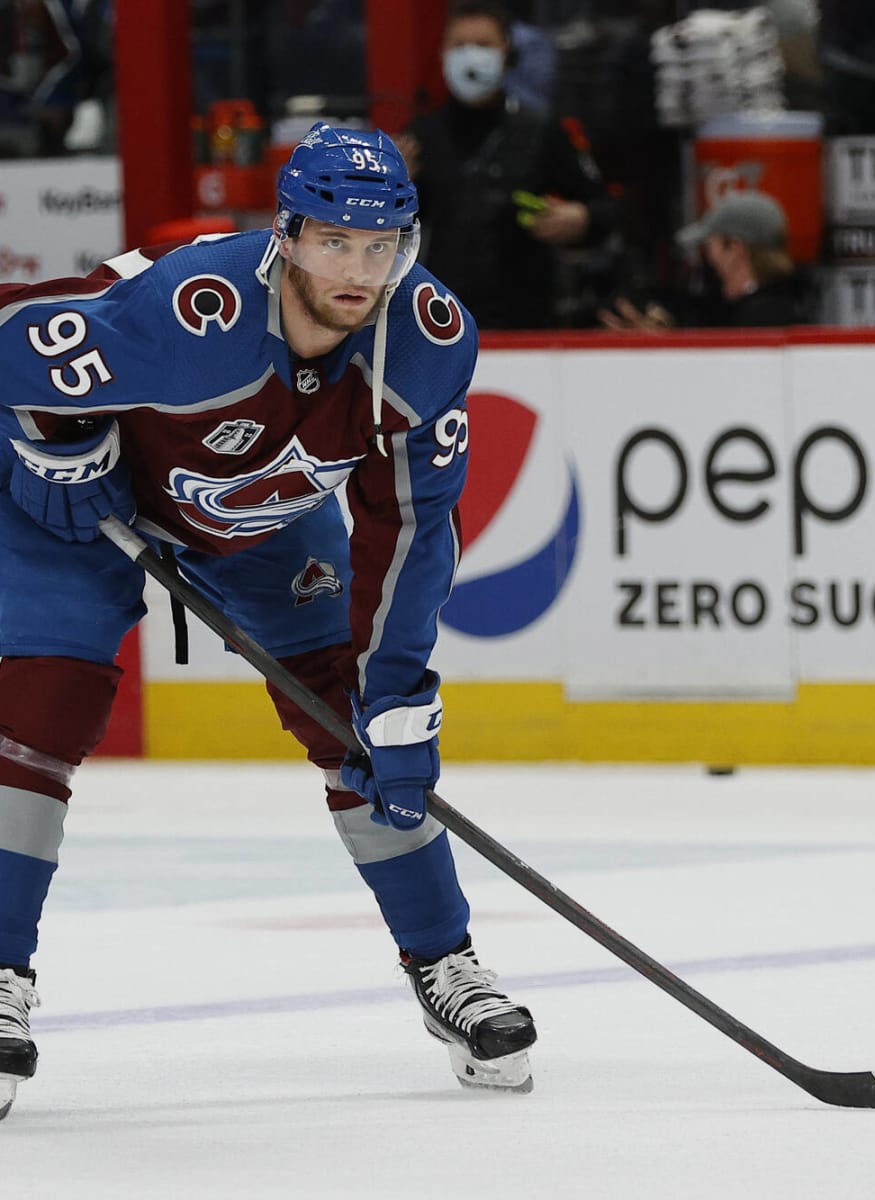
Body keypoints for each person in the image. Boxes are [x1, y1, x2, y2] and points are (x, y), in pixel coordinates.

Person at [0, 122, 537, 1119]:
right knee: (45, 708)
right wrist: (54, 441)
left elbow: (412, 533)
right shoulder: (188, 314)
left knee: (357, 724)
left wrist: (402, 695)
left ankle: (446, 966)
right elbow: (12, 341)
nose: (359, 270)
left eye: (381, 246)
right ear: (286, 235)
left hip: (256, 519)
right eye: (335, 241)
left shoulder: (424, 342)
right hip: (89, 511)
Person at [397, 0, 620, 329]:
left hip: (528, 319)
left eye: (484, 45)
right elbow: (393, 235)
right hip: (442, 319)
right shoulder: (420, 136)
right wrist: (396, 188)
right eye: (460, 45)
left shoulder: (540, 130)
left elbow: (607, 209)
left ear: (508, 54)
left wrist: (582, 218)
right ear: (443, 53)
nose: (471, 55)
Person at [599, 190, 820, 331]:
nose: (708, 257)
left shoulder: (765, 319)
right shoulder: (792, 304)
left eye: (709, 245)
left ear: (735, 248)